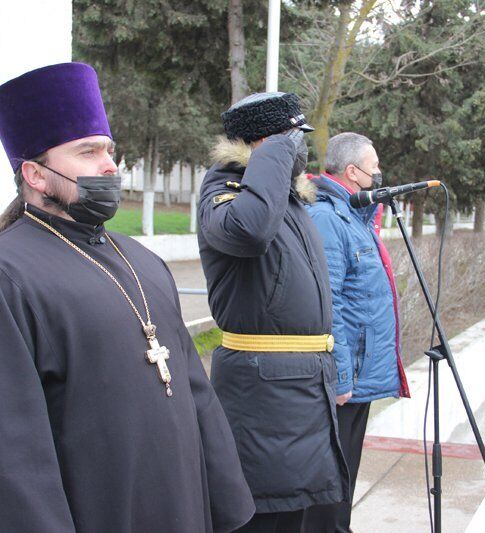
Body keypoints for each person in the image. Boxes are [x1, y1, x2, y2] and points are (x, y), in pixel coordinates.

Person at [0, 62, 255, 533]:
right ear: (35, 175)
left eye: (109, 150)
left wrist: (225, 506)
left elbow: (194, 393)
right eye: (88, 152)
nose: (110, 166)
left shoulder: (144, 262)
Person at [197, 92, 349, 533]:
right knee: (266, 513)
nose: (301, 147)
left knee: (296, 512)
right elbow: (248, 232)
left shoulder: (288, 199)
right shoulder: (224, 189)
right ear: (266, 143)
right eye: (293, 138)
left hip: (304, 383)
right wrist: (277, 148)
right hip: (266, 392)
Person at [303, 132, 410, 533]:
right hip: (345, 380)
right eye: (374, 166)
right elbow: (329, 306)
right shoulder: (329, 219)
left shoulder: (353, 216)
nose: (379, 173)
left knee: (344, 477)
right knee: (333, 481)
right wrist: (342, 376)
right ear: (353, 172)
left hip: (358, 374)